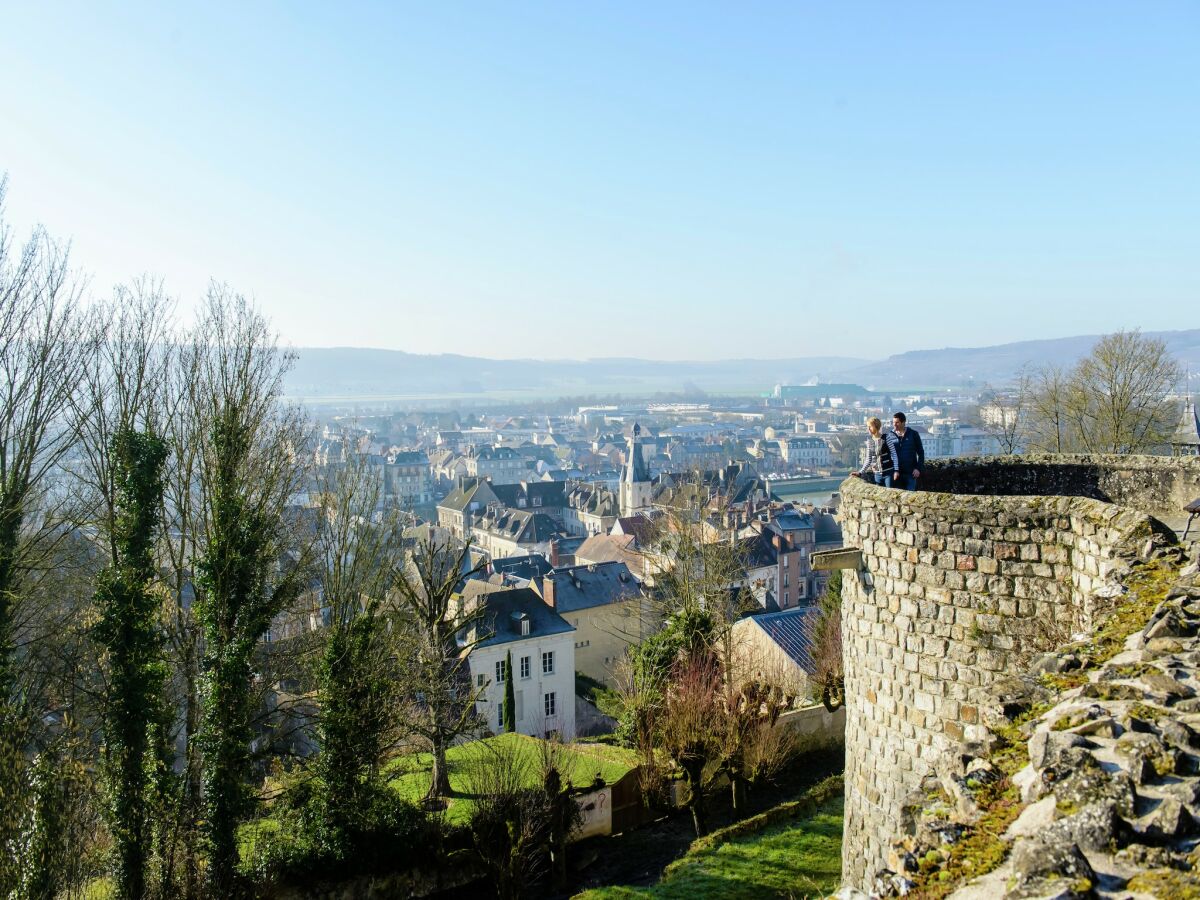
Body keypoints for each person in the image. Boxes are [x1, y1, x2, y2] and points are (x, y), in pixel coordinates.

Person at [856, 417, 899, 487]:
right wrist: (860, 472)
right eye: (868, 427)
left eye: (870, 426)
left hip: (888, 473)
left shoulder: (886, 438)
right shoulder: (870, 442)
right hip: (877, 475)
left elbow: (894, 454)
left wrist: (896, 470)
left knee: (890, 494)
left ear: (876, 426)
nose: (868, 429)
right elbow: (868, 459)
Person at [890, 411, 925, 491]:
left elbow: (921, 453)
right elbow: (885, 453)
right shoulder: (890, 436)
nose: (894, 425)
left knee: (910, 498)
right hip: (896, 473)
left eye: (897, 422)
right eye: (893, 422)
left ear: (903, 422)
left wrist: (918, 468)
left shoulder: (913, 434)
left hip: (911, 473)